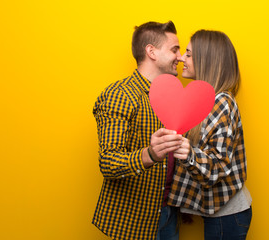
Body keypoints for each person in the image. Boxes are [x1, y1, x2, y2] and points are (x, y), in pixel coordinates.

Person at [92, 21, 183, 240]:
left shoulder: (170, 95)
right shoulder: (119, 95)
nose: (180, 57)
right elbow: (109, 162)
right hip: (135, 218)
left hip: (168, 211)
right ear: (151, 51)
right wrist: (151, 154)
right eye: (174, 50)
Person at [167, 30, 253, 240]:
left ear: (206, 60)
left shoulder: (221, 102)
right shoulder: (205, 101)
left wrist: (188, 153)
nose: (180, 58)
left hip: (227, 216)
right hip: (216, 212)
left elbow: (218, 168)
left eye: (188, 54)